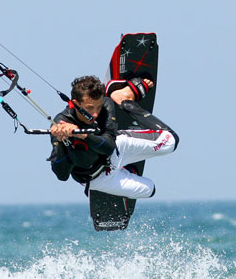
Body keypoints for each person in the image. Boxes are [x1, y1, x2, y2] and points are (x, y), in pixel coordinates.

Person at [47, 75, 179, 199]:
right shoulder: (61, 123)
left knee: (171, 142)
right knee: (149, 190)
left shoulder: (105, 104)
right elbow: (62, 175)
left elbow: (109, 147)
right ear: (75, 103)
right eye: (89, 108)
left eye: (97, 107)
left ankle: (123, 99)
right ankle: (126, 169)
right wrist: (61, 142)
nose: (95, 114)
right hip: (96, 178)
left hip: (117, 148)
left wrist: (84, 135)